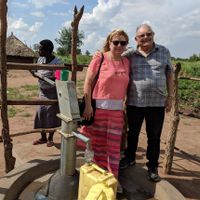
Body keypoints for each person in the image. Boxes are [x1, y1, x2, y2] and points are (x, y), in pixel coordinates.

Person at [120, 24, 174, 182]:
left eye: (148, 34)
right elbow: (114, 56)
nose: (145, 37)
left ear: (153, 35)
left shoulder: (164, 51)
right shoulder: (129, 54)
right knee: (133, 133)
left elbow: (169, 75)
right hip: (135, 102)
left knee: (154, 136)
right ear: (136, 39)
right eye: (142, 35)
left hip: (157, 104)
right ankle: (130, 158)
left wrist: (170, 97)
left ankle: (152, 166)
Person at [78, 29, 130, 192]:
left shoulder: (126, 62)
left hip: (116, 113)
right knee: (97, 146)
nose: (119, 45)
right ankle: (96, 178)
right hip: (98, 111)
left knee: (114, 149)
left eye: (123, 42)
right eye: (116, 42)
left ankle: (112, 179)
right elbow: (87, 82)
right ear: (109, 42)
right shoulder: (100, 58)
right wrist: (87, 106)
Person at [31, 39, 62, 147]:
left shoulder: (57, 62)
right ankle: (43, 138)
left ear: (47, 50)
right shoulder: (40, 59)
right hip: (42, 91)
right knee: (41, 113)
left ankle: (50, 138)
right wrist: (34, 73)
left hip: (52, 92)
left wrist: (43, 78)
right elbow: (37, 73)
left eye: (40, 48)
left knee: (51, 114)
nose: (38, 50)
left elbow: (58, 79)